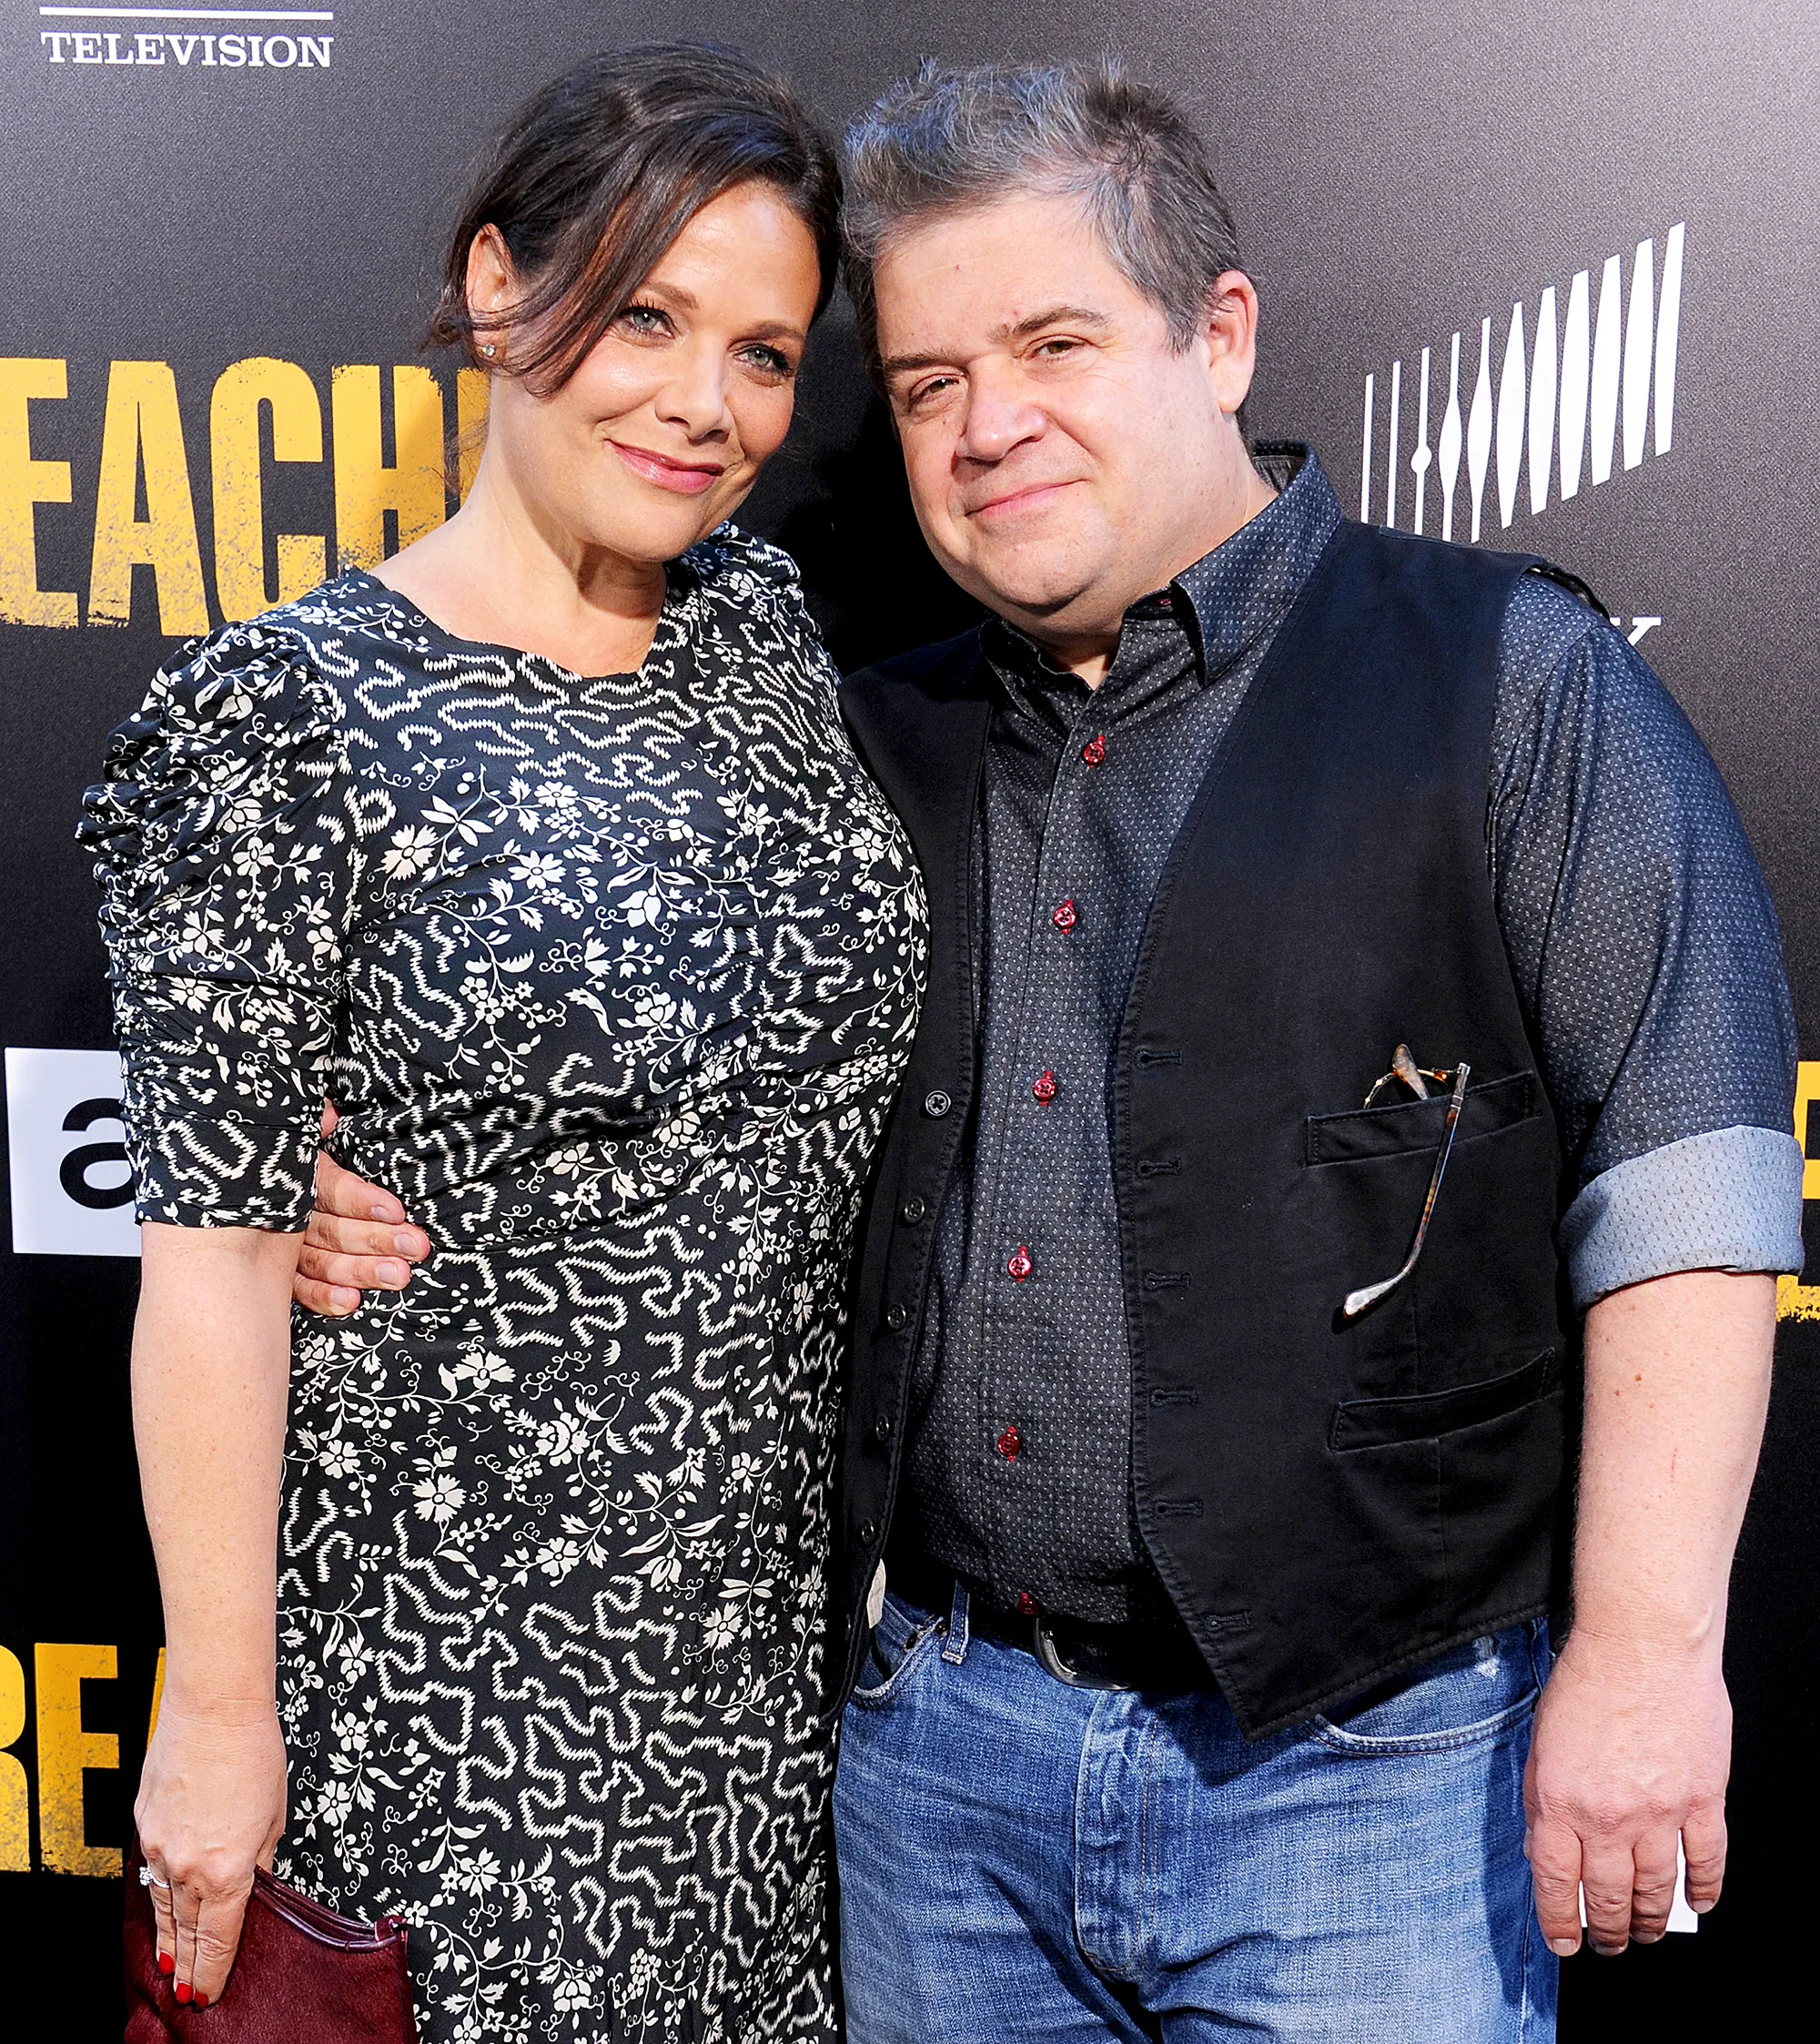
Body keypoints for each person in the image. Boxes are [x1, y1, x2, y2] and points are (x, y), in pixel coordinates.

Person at [300, 55, 1803, 2044]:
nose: (989, 425)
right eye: (927, 384)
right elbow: (597, 1007)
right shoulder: (850, 739)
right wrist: (350, 1151)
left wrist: (1645, 1652)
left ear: (1219, 332)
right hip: (934, 1779)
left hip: (1364, 1786)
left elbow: (1687, 1171)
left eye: (1056, 342)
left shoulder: (1508, 679)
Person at [80, 45, 924, 2043]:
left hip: (758, 1724)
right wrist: (215, 1722)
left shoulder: (773, 641)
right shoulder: (280, 723)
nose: (705, 403)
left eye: (765, 352)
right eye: (645, 313)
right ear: (492, 287)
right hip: (445, 1700)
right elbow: (203, 1270)